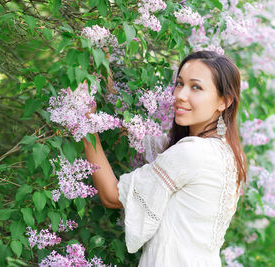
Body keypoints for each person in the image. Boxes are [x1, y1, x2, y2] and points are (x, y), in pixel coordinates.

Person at [83, 50, 247, 266]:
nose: (180, 94)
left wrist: (85, 126)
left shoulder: (192, 153)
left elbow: (112, 196)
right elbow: (134, 137)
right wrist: (108, 83)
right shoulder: (225, 152)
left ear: (224, 101)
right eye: (180, 83)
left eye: (196, 87)